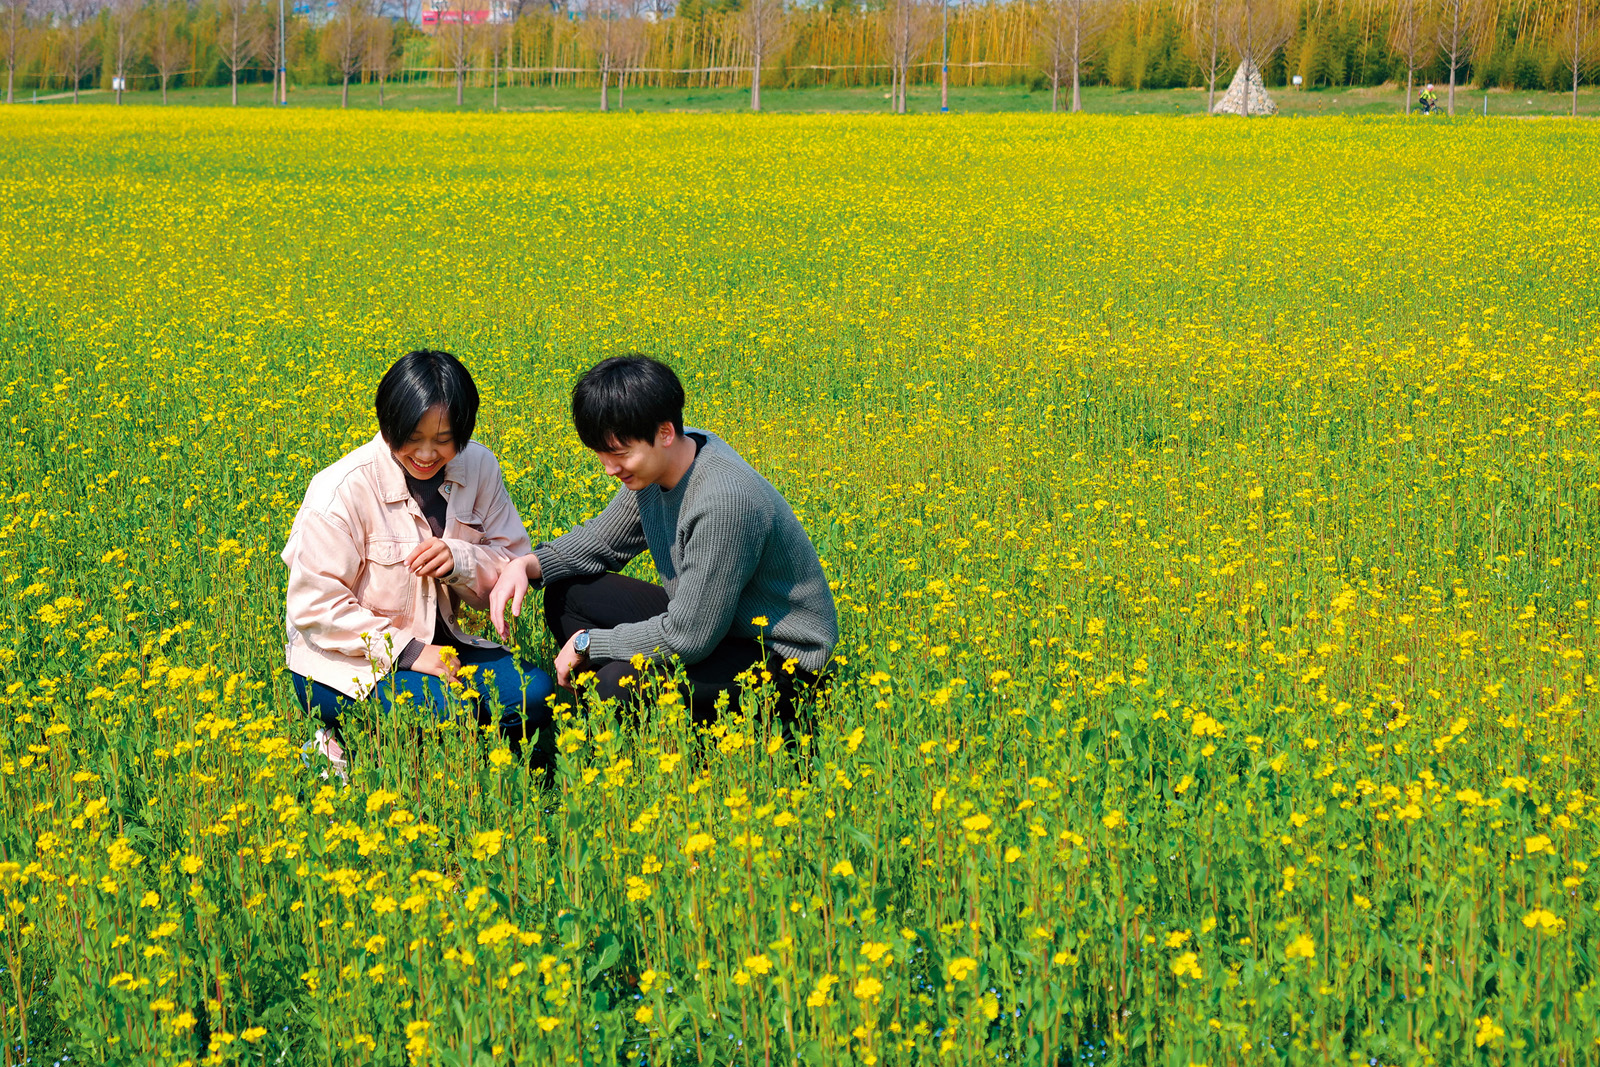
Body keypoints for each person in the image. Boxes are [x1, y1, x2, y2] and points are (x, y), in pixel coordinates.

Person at [488, 355, 837, 730]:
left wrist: (588, 644)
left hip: (777, 656)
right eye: (602, 455)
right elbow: (601, 541)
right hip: (714, 622)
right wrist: (526, 564)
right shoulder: (665, 463)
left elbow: (688, 638)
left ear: (665, 433)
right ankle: (620, 717)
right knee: (566, 592)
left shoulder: (723, 502)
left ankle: (641, 735)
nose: (610, 468)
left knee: (616, 683)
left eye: (620, 454)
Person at [282, 349, 554, 774]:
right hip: (344, 661)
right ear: (387, 423)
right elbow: (314, 607)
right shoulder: (340, 490)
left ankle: (518, 789)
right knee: (447, 713)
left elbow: (513, 562)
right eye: (413, 436)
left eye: (444, 440)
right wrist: (407, 652)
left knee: (534, 695)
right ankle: (337, 744)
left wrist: (459, 560)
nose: (427, 454)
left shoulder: (479, 467)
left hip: (446, 648)